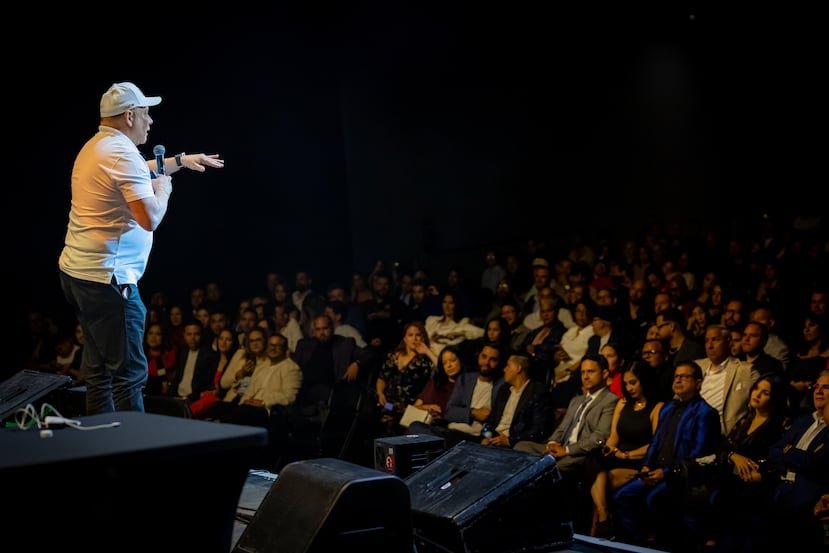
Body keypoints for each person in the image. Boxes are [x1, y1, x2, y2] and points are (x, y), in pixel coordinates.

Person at [57, 82, 224, 414]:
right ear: (130, 115)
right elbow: (149, 217)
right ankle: (131, 459)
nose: (151, 122)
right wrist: (164, 190)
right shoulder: (120, 153)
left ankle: (101, 447)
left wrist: (180, 160)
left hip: (79, 275)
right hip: (108, 280)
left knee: (99, 372)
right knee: (128, 376)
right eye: (147, 115)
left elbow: (134, 172)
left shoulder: (98, 147)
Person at [613, 361, 721, 550]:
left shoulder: (706, 413)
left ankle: (664, 545)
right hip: (654, 471)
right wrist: (647, 466)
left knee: (652, 499)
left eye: (684, 376)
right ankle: (638, 543)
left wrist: (665, 473)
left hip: (680, 475)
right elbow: (655, 442)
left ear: (698, 383)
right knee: (622, 495)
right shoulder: (668, 407)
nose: (678, 380)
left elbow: (698, 457)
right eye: (676, 376)